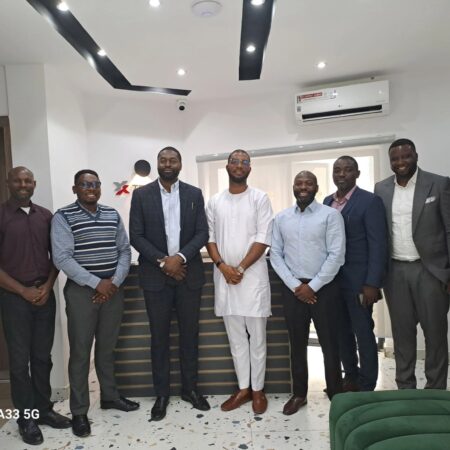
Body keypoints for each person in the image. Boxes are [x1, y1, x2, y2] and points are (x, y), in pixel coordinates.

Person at [51, 169, 139, 438]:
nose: (91, 188)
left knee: (107, 348)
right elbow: (62, 258)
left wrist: (113, 282)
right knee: (80, 352)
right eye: (85, 184)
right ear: (75, 188)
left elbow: (124, 250)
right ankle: (79, 412)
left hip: (112, 290)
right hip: (81, 293)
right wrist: (96, 283)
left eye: (95, 184)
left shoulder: (112, 214)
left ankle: (110, 397)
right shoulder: (63, 217)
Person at [129, 147, 210, 421]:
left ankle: (190, 389)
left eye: (172, 160)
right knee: (159, 338)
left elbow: (202, 233)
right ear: (157, 164)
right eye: (163, 160)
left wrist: (180, 258)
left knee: (190, 336)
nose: (167, 164)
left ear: (180, 165)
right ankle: (162, 394)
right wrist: (164, 262)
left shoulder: (194, 194)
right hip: (156, 277)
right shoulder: (141, 195)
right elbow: (136, 236)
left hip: (189, 275)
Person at [0, 167, 71, 445]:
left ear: (34, 184)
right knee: (19, 363)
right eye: (17, 180)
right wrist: (22, 290)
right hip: (13, 297)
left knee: (43, 358)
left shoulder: (46, 216)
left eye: (28, 180)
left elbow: (57, 255)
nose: (23, 184)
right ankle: (26, 418)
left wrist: (46, 287)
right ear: (8, 183)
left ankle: (44, 411)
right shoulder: (2, 216)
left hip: (44, 295)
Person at [375, 138, 450, 389]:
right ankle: (405, 389)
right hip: (395, 272)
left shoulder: (438, 184)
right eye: (395, 159)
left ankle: (435, 391)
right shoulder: (382, 188)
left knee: (435, 334)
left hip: (431, 271)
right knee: (402, 335)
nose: (400, 163)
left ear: (415, 156)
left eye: (405, 157)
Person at [270, 171, 345, 415]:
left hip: (324, 288)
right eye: (299, 183)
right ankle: (299, 394)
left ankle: (336, 392)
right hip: (293, 290)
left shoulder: (330, 216)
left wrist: (312, 287)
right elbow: (276, 255)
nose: (303, 187)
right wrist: (296, 286)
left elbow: (337, 255)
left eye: (308, 183)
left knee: (330, 344)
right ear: (294, 187)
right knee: (297, 344)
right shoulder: (281, 218)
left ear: (316, 187)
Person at [206, 150, 273, 414]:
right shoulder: (214, 201)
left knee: (257, 339)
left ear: (250, 169)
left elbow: (263, 236)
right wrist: (224, 267)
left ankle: (258, 390)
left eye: (244, 162)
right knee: (236, 340)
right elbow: (209, 238)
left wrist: (241, 268)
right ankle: (243, 389)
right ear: (226, 166)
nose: (239, 165)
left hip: (252, 277)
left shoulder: (260, 198)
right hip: (225, 279)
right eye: (235, 161)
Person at [324, 156, 387, 392]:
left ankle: (367, 383)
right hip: (333, 281)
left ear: (357, 174)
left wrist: (372, 283)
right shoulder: (327, 201)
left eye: (348, 170)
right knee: (341, 331)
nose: (342, 174)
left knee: (362, 331)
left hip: (359, 282)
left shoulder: (370, 202)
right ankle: (349, 375)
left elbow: (378, 244)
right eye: (337, 170)